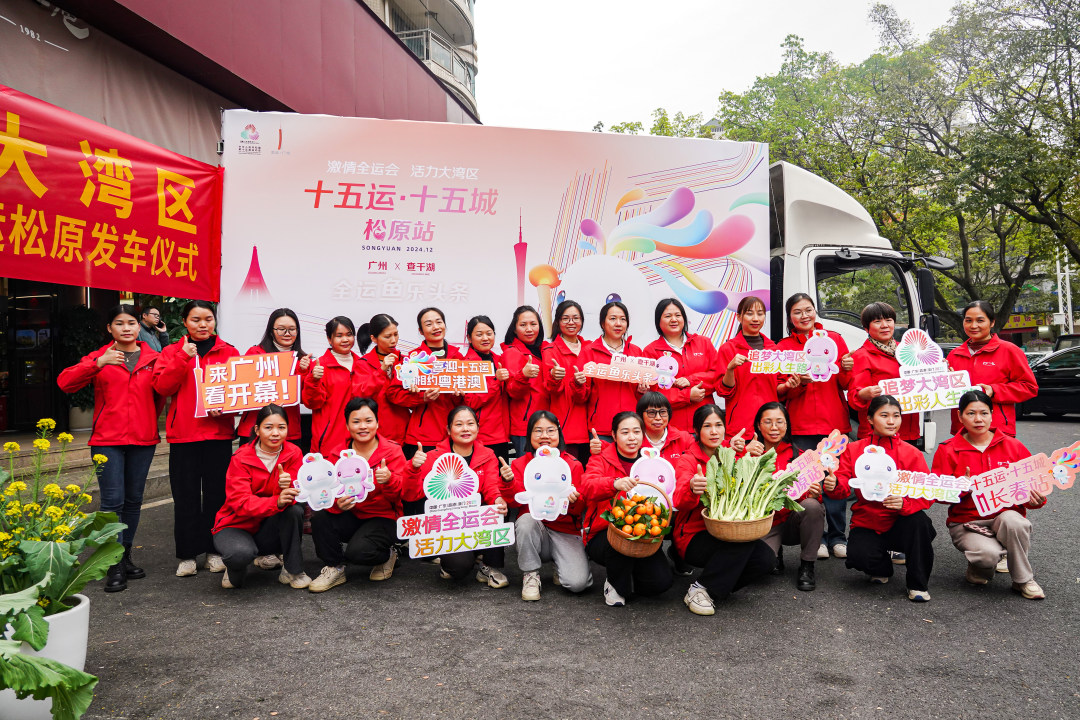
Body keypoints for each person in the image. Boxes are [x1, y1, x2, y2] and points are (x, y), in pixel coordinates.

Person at [57, 304, 162, 592]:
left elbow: (160, 396)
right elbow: (65, 383)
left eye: (131, 323)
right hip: (107, 440)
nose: (126, 328)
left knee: (133, 500)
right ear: (109, 328)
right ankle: (111, 564)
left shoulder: (154, 359)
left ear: (139, 327)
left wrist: (147, 421)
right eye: (119, 323)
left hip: (143, 439)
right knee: (112, 502)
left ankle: (124, 557)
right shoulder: (99, 357)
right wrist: (98, 364)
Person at [152, 300, 239, 577]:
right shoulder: (171, 352)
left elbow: (240, 393)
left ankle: (215, 551)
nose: (203, 325)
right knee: (185, 497)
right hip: (184, 435)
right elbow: (162, 387)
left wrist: (226, 407)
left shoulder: (229, 352)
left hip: (218, 434)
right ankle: (187, 555)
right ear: (184, 322)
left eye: (208, 319)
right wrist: (182, 357)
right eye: (196, 320)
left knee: (217, 495)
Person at [931, 390, 1046, 599]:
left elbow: (1033, 486)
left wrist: (1036, 500)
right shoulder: (948, 450)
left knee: (1015, 522)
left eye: (984, 413)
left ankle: (1023, 580)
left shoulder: (1013, 446)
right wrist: (961, 487)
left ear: (992, 415)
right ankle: (979, 567)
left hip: (1005, 518)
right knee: (987, 556)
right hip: (967, 522)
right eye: (971, 413)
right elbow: (936, 494)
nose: (978, 419)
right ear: (960, 417)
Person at [825, 395, 936, 602]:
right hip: (868, 520)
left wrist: (905, 503)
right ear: (869, 419)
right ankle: (882, 567)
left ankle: (917, 584)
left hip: (901, 521)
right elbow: (843, 484)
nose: (891, 421)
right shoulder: (854, 449)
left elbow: (927, 493)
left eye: (896, 416)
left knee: (919, 522)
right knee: (859, 555)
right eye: (884, 415)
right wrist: (834, 485)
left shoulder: (912, 453)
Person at [776, 293, 854, 561]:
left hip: (834, 424)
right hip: (801, 425)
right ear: (790, 317)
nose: (804, 316)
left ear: (815, 311)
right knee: (809, 484)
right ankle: (818, 538)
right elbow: (780, 390)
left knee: (834, 482)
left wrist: (846, 367)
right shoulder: (784, 347)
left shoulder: (834, 339)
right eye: (797, 312)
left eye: (808, 310)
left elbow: (846, 383)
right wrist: (797, 384)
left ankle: (838, 537)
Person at [673, 405, 771, 616]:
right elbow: (679, 501)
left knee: (765, 560)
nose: (714, 431)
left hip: (729, 528)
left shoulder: (734, 454)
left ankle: (714, 587)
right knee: (741, 544)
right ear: (697, 430)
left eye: (718, 425)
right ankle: (700, 589)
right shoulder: (688, 460)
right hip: (693, 536)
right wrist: (692, 487)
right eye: (707, 426)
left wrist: (750, 455)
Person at [308, 397, 407, 593]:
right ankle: (334, 567)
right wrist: (337, 504)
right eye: (356, 421)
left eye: (368, 421)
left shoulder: (392, 451)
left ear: (377, 423)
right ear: (347, 425)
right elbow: (328, 492)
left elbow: (404, 493)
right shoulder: (337, 454)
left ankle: (389, 554)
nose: (363, 426)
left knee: (359, 553)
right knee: (320, 517)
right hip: (352, 514)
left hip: (383, 517)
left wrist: (389, 480)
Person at [406, 406, 509, 587]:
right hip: (448, 524)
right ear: (448, 429)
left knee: (497, 509)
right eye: (459, 424)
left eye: (470, 424)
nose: (465, 429)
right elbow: (411, 494)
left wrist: (498, 499)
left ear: (478, 427)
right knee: (458, 568)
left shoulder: (488, 455)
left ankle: (489, 566)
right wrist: (413, 468)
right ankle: (452, 559)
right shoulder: (433, 457)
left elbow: (491, 487)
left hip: (473, 520)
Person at [211, 404, 310, 590]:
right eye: (268, 427)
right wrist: (276, 501)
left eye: (281, 427)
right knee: (239, 556)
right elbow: (240, 503)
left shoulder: (294, 453)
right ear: (257, 430)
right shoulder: (240, 457)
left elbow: (298, 492)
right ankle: (234, 568)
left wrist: (288, 487)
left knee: (294, 510)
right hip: (236, 524)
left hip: (267, 527)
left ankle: (293, 570)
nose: (275, 433)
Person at [581, 412, 674, 607]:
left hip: (643, 532)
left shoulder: (651, 461)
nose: (632, 437)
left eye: (636, 432)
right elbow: (587, 487)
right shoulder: (601, 458)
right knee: (620, 540)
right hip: (605, 533)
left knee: (660, 584)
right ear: (614, 435)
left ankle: (630, 573)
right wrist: (614, 483)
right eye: (625, 432)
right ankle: (615, 584)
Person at [501, 410, 591, 600]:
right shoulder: (520, 464)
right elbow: (514, 501)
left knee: (577, 584)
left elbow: (580, 509)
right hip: (536, 528)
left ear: (559, 433)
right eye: (538, 431)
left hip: (565, 530)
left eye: (550, 430)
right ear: (529, 435)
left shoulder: (572, 465)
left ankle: (560, 564)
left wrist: (575, 500)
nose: (544, 436)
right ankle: (530, 574)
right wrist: (508, 482)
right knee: (525, 521)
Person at [754, 402, 825, 592]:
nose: (774, 427)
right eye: (768, 422)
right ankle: (775, 553)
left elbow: (814, 501)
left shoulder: (801, 457)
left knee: (812, 506)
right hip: (764, 524)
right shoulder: (750, 455)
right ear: (758, 425)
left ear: (787, 425)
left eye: (780, 422)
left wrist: (814, 493)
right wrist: (744, 454)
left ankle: (807, 565)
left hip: (792, 522)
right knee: (761, 566)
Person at [945, 301, 1037, 437]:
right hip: (963, 431)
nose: (973, 326)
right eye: (968, 320)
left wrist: (994, 390)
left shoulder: (1009, 351)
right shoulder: (954, 354)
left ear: (992, 322)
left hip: (998, 431)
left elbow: (1029, 387)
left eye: (980, 320)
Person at [385, 307, 464, 464]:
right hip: (422, 436)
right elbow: (393, 393)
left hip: (454, 435)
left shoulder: (458, 358)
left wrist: (458, 396)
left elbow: (468, 398)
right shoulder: (412, 359)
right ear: (421, 331)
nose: (435, 327)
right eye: (429, 324)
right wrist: (422, 397)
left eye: (439, 322)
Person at [716, 296, 798, 437]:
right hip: (740, 426)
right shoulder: (728, 349)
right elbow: (723, 391)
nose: (755, 319)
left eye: (760, 314)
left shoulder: (773, 350)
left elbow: (778, 389)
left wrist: (787, 385)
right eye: (749, 313)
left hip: (770, 426)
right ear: (739, 317)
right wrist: (730, 369)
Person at [236, 309, 311, 447]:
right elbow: (242, 388)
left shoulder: (304, 360)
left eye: (292, 329)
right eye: (281, 329)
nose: (287, 334)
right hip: (254, 427)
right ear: (271, 331)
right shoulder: (255, 353)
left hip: (288, 429)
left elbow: (305, 398)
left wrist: (303, 371)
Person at [848, 302, 920, 443]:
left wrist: (940, 368)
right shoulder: (861, 356)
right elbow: (854, 398)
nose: (885, 325)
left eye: (888, 320)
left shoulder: (909, 351)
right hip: (876, 434)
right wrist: (863, 394)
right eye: (877, 321)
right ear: (866, 328)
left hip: (907, 431)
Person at [642, 298, 717, 432]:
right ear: (658, 321)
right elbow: (654, 392)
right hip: (672, 427)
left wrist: (691, 380)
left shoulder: (703, 343)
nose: (674, 319)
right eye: (668, 316)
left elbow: (718, 375)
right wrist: (687, 396)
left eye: (678, 315)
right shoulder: (650, 351)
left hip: (706, 424)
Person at [303, 316, 368, 457]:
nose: (345, 340)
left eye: (349, 335)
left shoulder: (362, 364)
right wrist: (313, 380)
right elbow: (312, 403)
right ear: (329, 339)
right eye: (339, 336)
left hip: (360, 438)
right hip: (330, 441)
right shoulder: (320, 366)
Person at [579, 302, 643, 442]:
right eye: (613, 319)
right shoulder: (589, 352)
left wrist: (642, 391)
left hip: (630, 426)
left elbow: (639, 394)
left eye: (623, 319)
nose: (618, 323)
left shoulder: (636, 352)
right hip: (601, 427)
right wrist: (578, 384)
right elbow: (582, 396)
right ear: (602, 323)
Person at [542, 300, 591, 462]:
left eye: (576, 318)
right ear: (558, 321)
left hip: (592, 424)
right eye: (565, 318)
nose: (571, 322)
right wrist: (554, 377)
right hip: (566, 424)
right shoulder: (550, 350)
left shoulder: (590, 349)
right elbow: (551, 389)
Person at [501, 305, 550, 457]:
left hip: (547, 422)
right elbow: (513, 392)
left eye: (533, 324)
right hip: (525, 425)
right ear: (515, 329)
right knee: (526, 468)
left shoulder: (546, 350)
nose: (529, 329)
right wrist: (523, 375)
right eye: (523, 325)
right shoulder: (512, 352)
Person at [355, 314, 410, 445]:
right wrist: (382, 370)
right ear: (374, 338)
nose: (394, 340)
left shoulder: (405, 361)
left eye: (396, 334)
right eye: (387, 336)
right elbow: (361, 395)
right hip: (377, 435)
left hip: (405, 433)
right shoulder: (363, 363)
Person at [463, 315, 512, 463]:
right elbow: (471, 402)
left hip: (502, 433)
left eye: (489, 333)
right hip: (481, 435)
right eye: (479, 334)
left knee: (501, 474)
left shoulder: (500, 360)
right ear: (469, 338)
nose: (485, 338)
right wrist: (496, 381)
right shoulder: (466, 364)